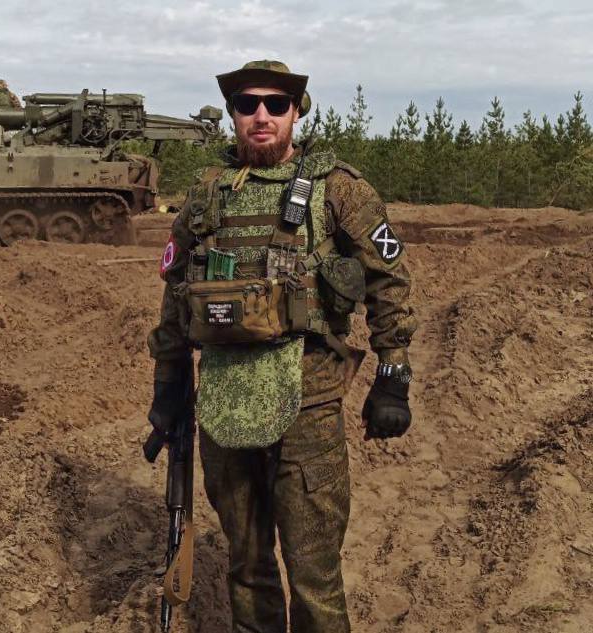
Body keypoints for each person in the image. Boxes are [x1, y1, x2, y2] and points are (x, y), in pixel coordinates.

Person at [147, 60, 417, 633]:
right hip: (224, 402)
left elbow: (388, 279)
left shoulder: (338, 188)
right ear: (233, 115)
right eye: (248, 105)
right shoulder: (206, 195)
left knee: (315, 576)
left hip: (309, 404)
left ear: (297, 112)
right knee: (247, 569)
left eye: (276, 104)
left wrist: (393, 375)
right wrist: (168, 383)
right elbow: (177, 291)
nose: (262, 116)